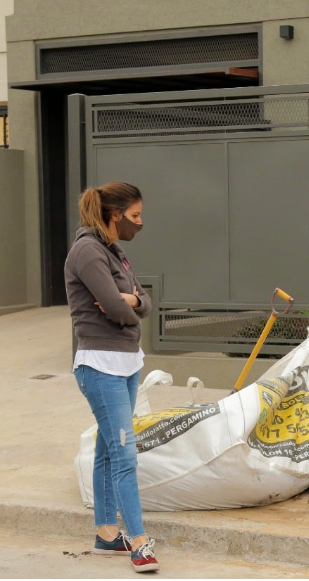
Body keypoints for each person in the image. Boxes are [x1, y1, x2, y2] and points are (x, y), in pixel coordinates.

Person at [64, 181, 159, 572]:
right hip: (100, 365)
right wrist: (127, 305)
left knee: (107, 449)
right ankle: (138, 542)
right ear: (115, 215)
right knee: (124, 454)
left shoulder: (113, 251)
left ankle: (106, 534)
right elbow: (118, 312)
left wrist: (131, 300)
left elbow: (143, 302)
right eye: (135, 217)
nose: (140, 223)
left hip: (126, 362)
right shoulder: (87, 251)